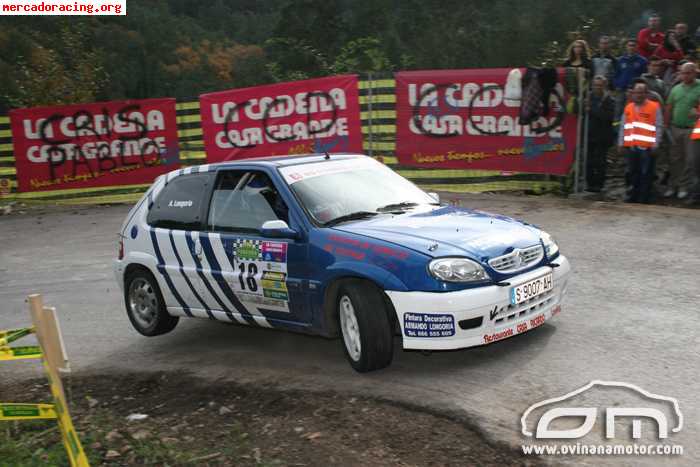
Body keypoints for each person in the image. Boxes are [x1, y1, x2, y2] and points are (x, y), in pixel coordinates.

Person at [618, 81, 663, 203]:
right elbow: (623, 125)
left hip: (647, 148)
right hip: (632, 147)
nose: (638, 95)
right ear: (633, 93)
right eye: (636, 92)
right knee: (633, 172)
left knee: (646, 174)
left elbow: (658, 126)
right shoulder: (629, 107)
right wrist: (621, 142)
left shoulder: (654, 107)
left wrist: (656, 144)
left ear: (646, 93)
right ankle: (633, 195)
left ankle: (644, 197)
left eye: (641, 92)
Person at [664, 62, 700, 199]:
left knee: (690, 160)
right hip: (675, 128)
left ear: (694, 73)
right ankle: (673, 185)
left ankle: (684, 187)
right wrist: (666, 125)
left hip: (693, 130)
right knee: (675, 158)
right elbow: (669, 106)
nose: (684, 75)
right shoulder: (676, 89)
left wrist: (697, 113)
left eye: (688, 73)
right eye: (682, 73)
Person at [585, 76, 616, 192]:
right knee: (589, 161)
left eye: (600, 85)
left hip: (603, 136)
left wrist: (591, 110)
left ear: (604, 86)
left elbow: (608, 117)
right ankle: (589, 183)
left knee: (600, 161)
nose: (597, 87)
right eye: (595, 85)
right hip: (589, 135)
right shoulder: (588, 98)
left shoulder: (610, 100)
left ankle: (599, 184)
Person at [613, 39, 647, 119]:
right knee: (618, 111)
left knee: (633, 111)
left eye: (633, 45)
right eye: (629, 45)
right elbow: (615, 75)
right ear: (626, 47)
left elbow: (644, 76)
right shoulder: (620, 60)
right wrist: (617, 85)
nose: (631, 47)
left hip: (635, 92)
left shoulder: (642, 61)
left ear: (637, 47)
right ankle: (617, 130)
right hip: (621, 90)